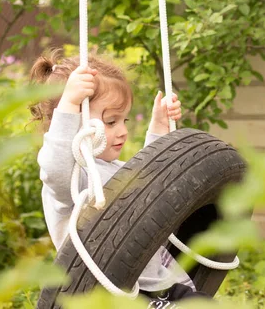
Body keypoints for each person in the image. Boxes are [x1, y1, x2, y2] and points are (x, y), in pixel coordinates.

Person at [29, 50, 207, 303]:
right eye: (111, 122)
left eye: (123, 120)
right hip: (108, 292)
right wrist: (68, 105)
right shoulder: (75, 177)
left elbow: (151, 178)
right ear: (73, 122)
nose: (123, 131)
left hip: (152, 283)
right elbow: (55, 168)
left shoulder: (115, 169)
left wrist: (158, 127)